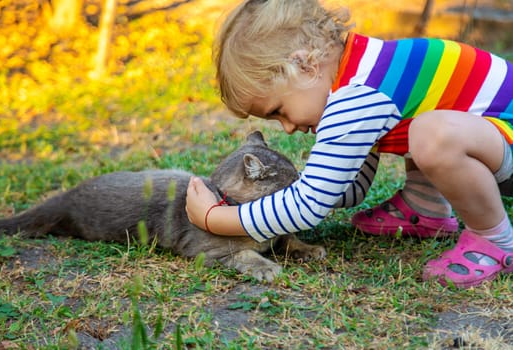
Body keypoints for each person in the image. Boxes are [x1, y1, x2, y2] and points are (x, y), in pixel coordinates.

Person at [185, 0, 513, 288]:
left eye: (278, 111)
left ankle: (493, 239)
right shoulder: (361, 70)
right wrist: (314, 180)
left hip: (504, 139)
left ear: (305, 65)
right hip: (495, 142)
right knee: (427, 119)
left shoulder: (356, 96)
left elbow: (310, 205)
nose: (286, 128)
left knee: (432, 132)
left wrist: (216, 219)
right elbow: (350, 187)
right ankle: (425, 207)